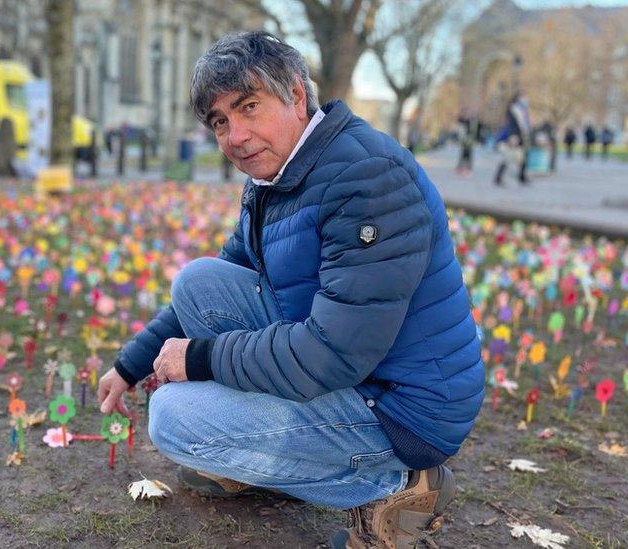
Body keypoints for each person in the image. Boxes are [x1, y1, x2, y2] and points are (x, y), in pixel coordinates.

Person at [97, 31, 481, 549]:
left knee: (176, 419)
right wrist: (130, 365)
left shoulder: (367, 176)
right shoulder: (278, 176)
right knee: (199, 283)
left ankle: (399, 485)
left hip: (400, 410)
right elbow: (223, 281)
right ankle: (248, 457)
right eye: (220, 122)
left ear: (297, 96)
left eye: (249, 107)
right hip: (355, 372)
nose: (235, 136)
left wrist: (202, 359)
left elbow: (333, 353)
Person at [493, 93, 531, 186]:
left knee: (524, 156)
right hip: (515, 136)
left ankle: (521, 176)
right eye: (523, 97)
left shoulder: (522, 110)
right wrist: (513, 136)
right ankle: (498, 178)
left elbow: (524, 123)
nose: (525, 99)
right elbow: (511, 124)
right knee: (508, 157)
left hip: (522, 135)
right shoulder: (514, 109)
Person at [455, 110, 477, 175]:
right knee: (464, 153)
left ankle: (467, 168)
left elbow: (474, 132)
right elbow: (459, 120)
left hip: (469, 140)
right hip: (466, 140)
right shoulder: (466, 121)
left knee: (468, 154)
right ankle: (462, 167)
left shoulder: (473, 122)